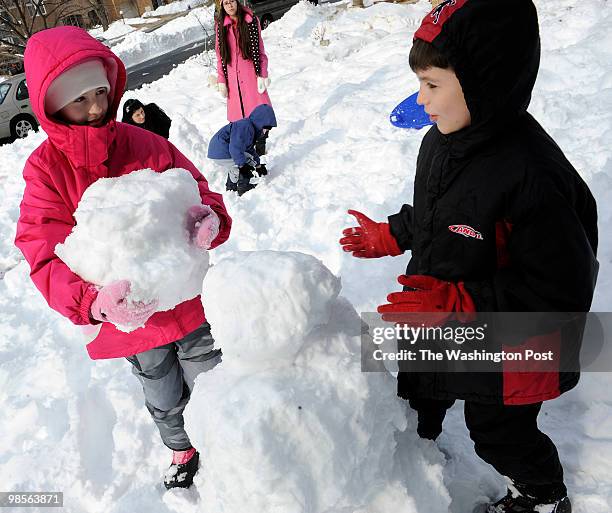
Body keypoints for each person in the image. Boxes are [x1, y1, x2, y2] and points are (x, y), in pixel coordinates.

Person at [340, 2, 598, 513]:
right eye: (419, 83)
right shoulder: (442, 142)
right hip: (446, 309)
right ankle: (413, 463)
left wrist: (460, 302)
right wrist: (395, 233)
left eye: (433, 85)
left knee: (498, 431)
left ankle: (542, 496)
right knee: (416, 392)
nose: (422, 100)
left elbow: (562, 290)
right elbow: (447, 212)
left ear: (485, 82)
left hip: (516, 337)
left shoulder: (534, 176)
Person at [15, 26, 232, 490]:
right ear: (51, 106)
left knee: (210, 374)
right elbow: (42, 251)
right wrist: (92, 301)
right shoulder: (46, 172)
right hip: (131, 316)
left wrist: (208, 217)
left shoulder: (144, 145)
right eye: (79, 100)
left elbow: (196, 189)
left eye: (99, 92)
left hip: (188, 300)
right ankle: (182, 447)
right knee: (161, 388)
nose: (96, 108)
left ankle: (228, 438)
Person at [215, 0, 273, 153]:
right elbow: (220, 57)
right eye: (226, 3)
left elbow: (260, 51)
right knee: (239, 118)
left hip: (251, 77)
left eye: (232, 1)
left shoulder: (251, 21)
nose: (230, 6)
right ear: (222, 6)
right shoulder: (221, 27)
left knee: (260, 112)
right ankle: (247, 146)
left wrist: (262, 74)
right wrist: (222, 80)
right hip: (233, 80)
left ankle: (261, 141)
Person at [207, 103, 276, 196]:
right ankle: (244, 190)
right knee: (245, 163)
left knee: (239, 164)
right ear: (260, 122)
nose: (266, 132)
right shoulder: (245, 126)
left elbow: (249, 150)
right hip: (221, 149)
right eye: (266, 128)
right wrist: (243, 166)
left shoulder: (250, 129)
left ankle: (231, 189)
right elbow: (235, 147)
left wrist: (258, 165)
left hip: (218, 151)